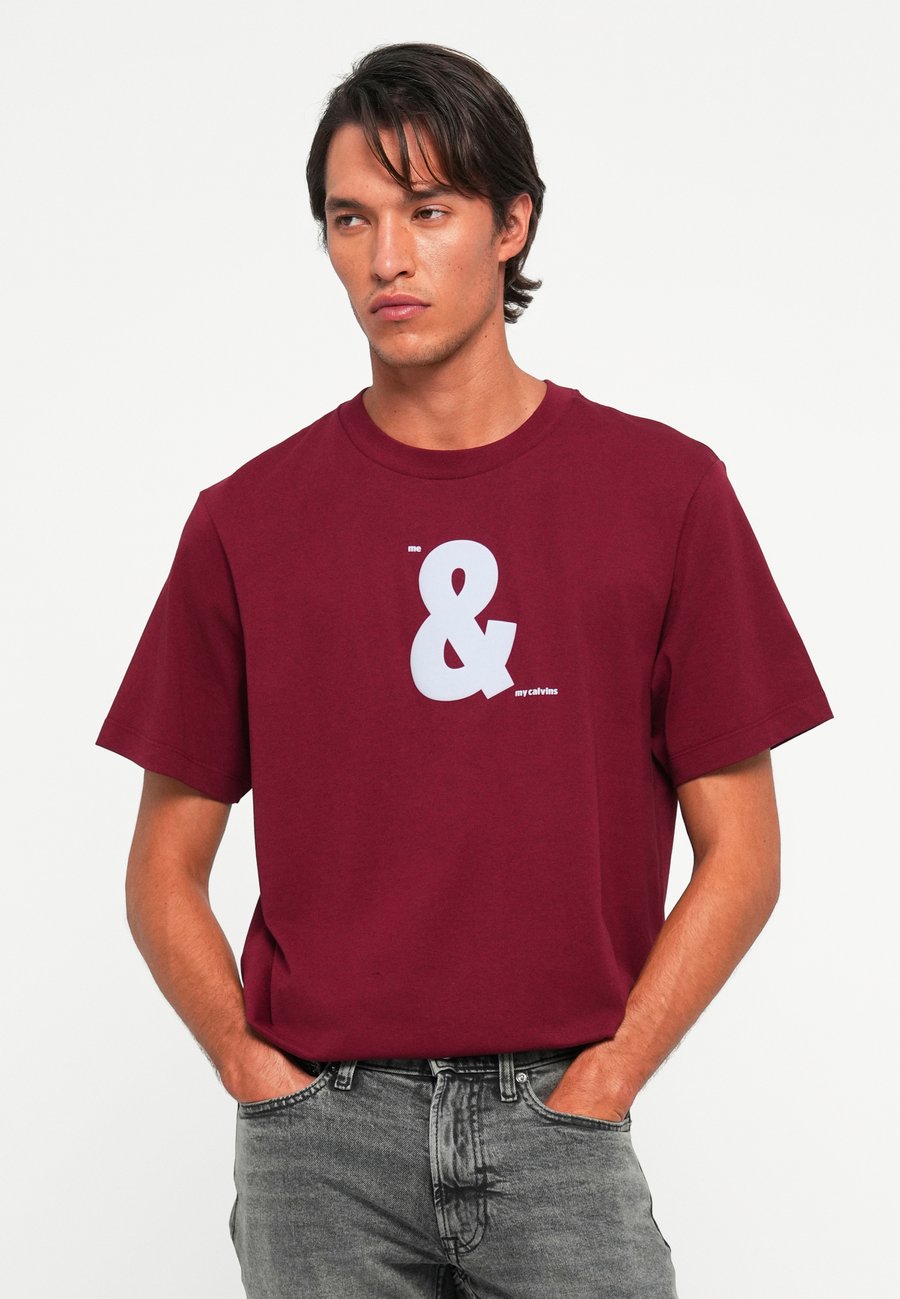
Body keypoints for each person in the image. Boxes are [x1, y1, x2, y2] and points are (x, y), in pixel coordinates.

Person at [95, 41, 834, 1299]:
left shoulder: (665, 493)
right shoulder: (248, 522)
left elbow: (745, 854)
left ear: (512, 222)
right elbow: (163, 867)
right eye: (352, 219)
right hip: (321, 1145)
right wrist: (252, 1070)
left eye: (428, 210)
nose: (388, 257)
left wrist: (608, 1077)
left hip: (560, 1125)